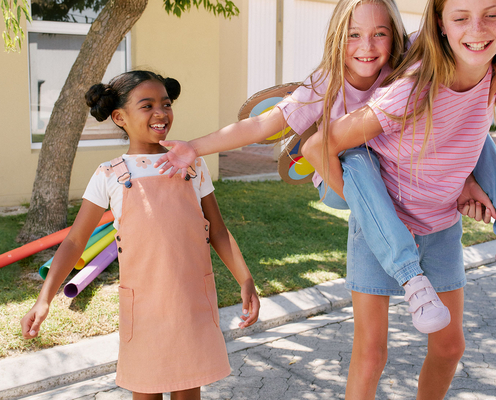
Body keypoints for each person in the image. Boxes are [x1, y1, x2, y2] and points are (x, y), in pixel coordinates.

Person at [153, 0, 496, 334]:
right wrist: (194, 148)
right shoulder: (324, 85)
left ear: (395, 36)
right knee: (358, 156)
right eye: (353, 35)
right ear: (337, 38)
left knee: (477, 121)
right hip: (336, 178)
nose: (367, 46)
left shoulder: (404, 67)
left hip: (386, 177)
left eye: (380, 34)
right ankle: (410, 276)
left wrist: (465, 179)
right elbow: (262, 126)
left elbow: (450, 38)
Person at [20, 70, 260, 400]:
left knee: (188, 387)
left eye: (166, 103)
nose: (161, 113)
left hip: (191, 300)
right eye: (147, 105)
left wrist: (245, 279)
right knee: (146, 390)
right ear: (120, 117)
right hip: (144, 307)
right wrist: (44, 298)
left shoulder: (192, 166)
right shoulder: (109, 175)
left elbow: (217, 230)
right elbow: (75, 241)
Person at [303, 0, 496, 397]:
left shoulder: (490, 73)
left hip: (441, 226)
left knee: (450, 346)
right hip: (383, 233)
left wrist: (466, 184)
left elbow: (463, 134)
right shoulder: (413, 86)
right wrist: (372, 213)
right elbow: (320, 145)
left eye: (492, 13)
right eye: (461, 18)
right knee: (372, 354)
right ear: (441, 24)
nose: (477, 29)